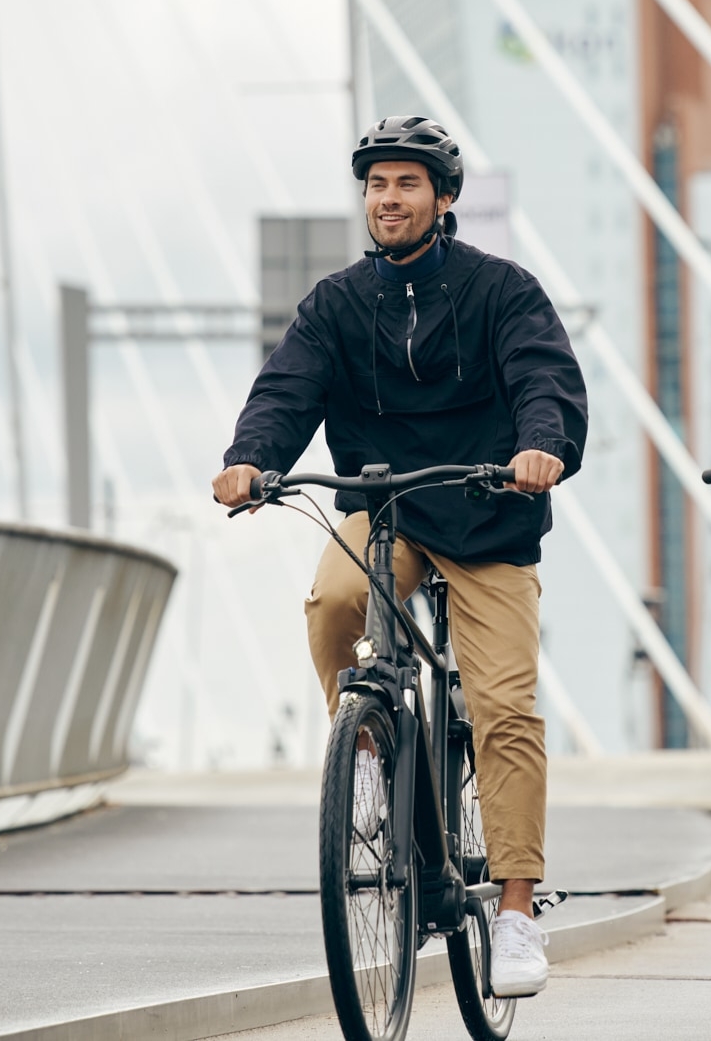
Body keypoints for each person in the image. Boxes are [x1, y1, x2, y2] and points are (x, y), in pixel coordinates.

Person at [213, 115, 588, 999]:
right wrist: (250, 458)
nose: (388, 198)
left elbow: (546, 379)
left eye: (407, 183)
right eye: (376, 184)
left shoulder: (504, 291)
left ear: (443, 198)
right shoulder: (337, 303)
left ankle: (517, 909)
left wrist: (543, 447)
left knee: (503, 708)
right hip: (386, 510)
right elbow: (287, 386)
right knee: (332, 601)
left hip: (488, 512)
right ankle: (373, 748)